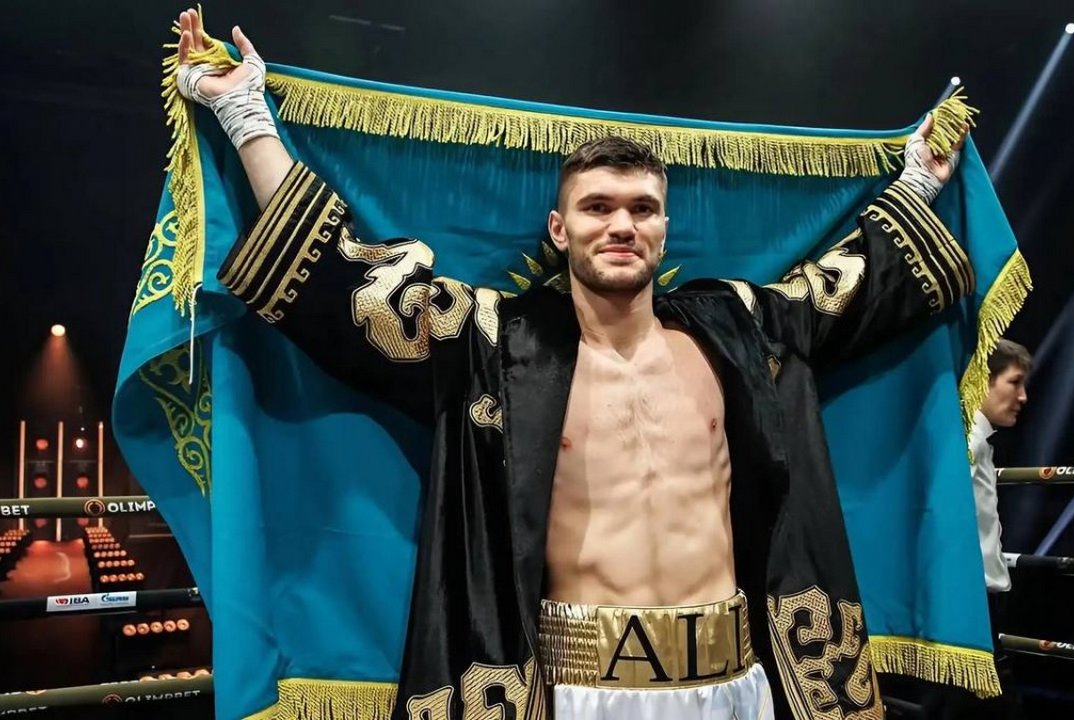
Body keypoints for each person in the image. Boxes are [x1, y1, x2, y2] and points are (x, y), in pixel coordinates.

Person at [174, 9, 973, 719]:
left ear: (664, 229)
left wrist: (916, 185)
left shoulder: (739, 331)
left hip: (737, 682)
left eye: (642, 208)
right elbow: (351, 289)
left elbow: (849, 289)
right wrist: (246, 115)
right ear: (559, 229)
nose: (621, 225)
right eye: (598, 207)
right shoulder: (497, 344)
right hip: (574, 690)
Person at [942, 338, 1030, 719]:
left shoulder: (975, 439)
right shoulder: (968, 441)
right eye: (1014, 382)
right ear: (985, 380)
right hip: (970, 601)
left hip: (973, 599)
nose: (1023, 396)